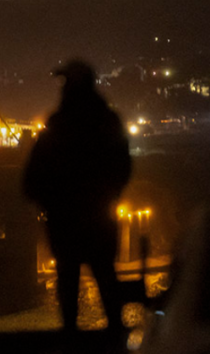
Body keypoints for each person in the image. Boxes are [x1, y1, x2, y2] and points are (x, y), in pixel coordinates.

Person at [23, 60, 132, 335]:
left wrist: (42, 199)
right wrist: (111, 194)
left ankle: (70, 333)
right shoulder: (109, 121)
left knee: (67, 277)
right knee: (105, 274)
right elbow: (124, 166)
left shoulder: (58, 124)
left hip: (65, 219)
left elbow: (36, 172)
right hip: (100, 214)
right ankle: (116, 334)